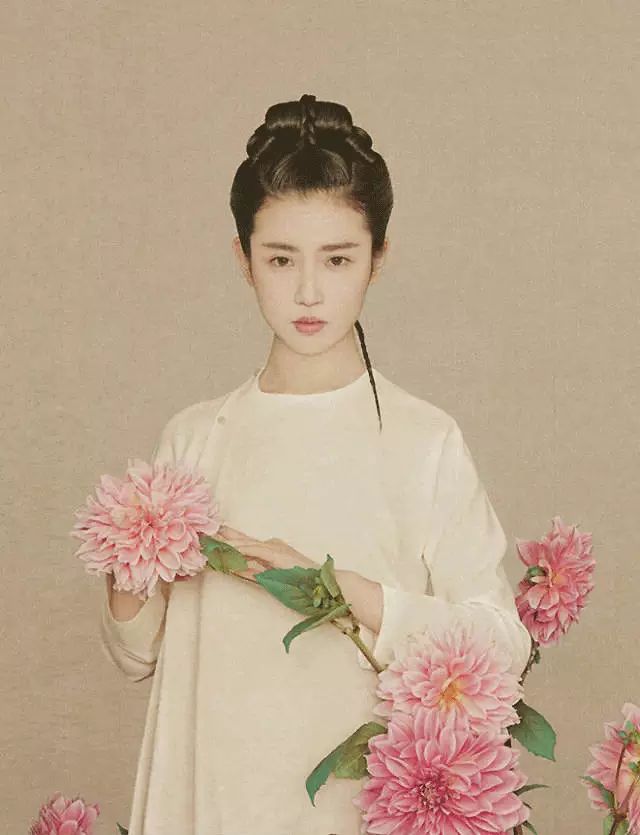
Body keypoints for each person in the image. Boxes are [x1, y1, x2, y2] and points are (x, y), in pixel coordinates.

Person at [100, 93, 532, 835]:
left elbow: (499, 647)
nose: (308, 291)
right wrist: (125, 553)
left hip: (357, 805)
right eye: (280, 259)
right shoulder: (195, 437)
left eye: (337, 259)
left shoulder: (423, 439)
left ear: (378, 258)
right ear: (243, 259)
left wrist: (330, 586)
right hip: (211, 790)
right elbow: (137, 654)